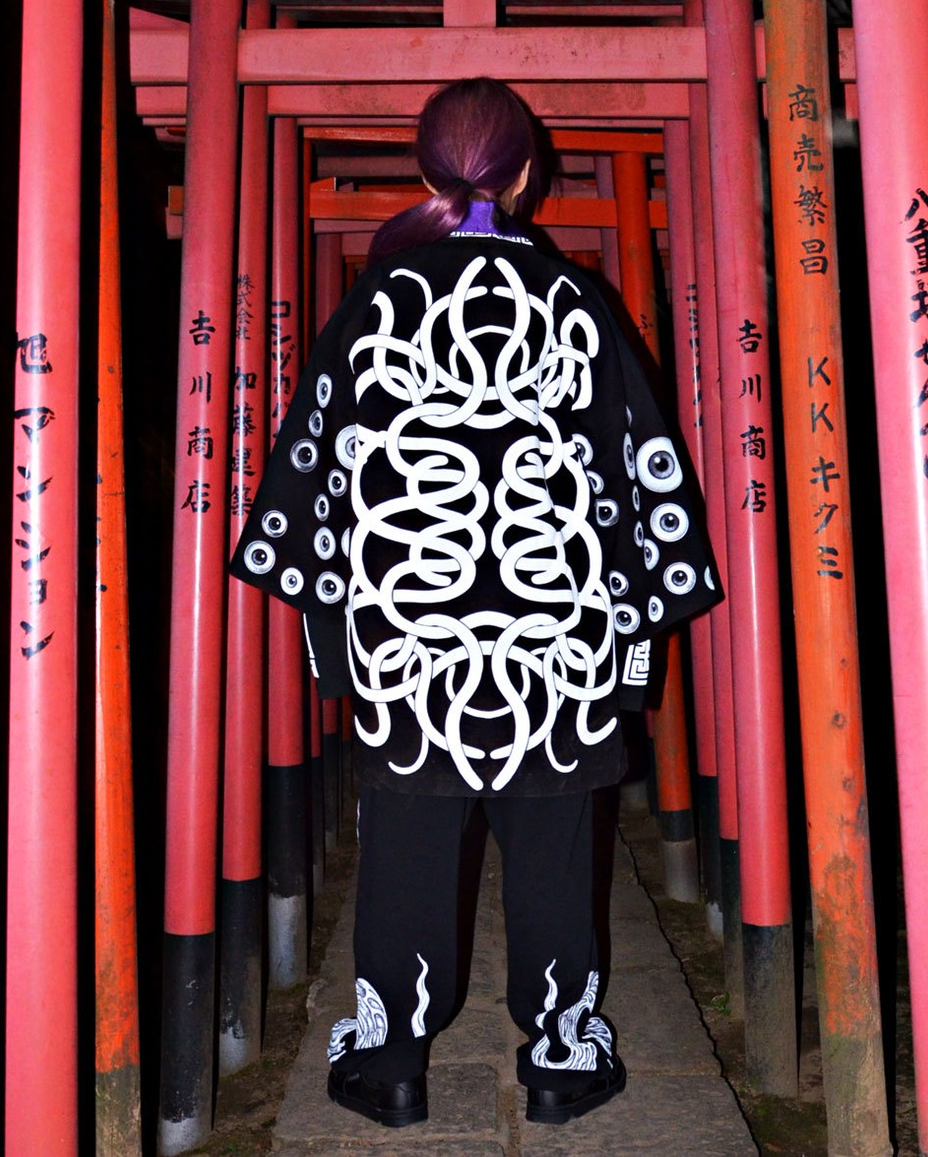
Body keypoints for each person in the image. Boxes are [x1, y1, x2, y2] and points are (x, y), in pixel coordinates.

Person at [230, 77, 717, 1129]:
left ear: (425, 171)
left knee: (406, 838)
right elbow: (643, 468)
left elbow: (315, 471)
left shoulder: (375, 302)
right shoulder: (578, 300)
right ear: (528, 173)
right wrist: (635, 621)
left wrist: (339, 630)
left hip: (414, 630)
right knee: (555, 841)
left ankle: (390, 1061)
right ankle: (560, 1056)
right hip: (558, 630)